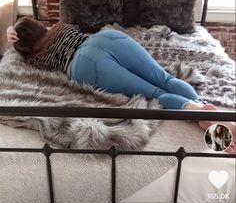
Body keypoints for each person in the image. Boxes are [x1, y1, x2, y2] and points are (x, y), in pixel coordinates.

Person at [6, 18, 235, 140]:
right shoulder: (58, 27)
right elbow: (36, 27)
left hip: (84, 65)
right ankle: (205, 110)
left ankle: (199, 113)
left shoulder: (33, 57)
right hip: (107, 38)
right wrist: (19, 26)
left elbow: (23, 45)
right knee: (164, 78)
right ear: (38, 25)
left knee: (156, 94)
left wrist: (12, 34)